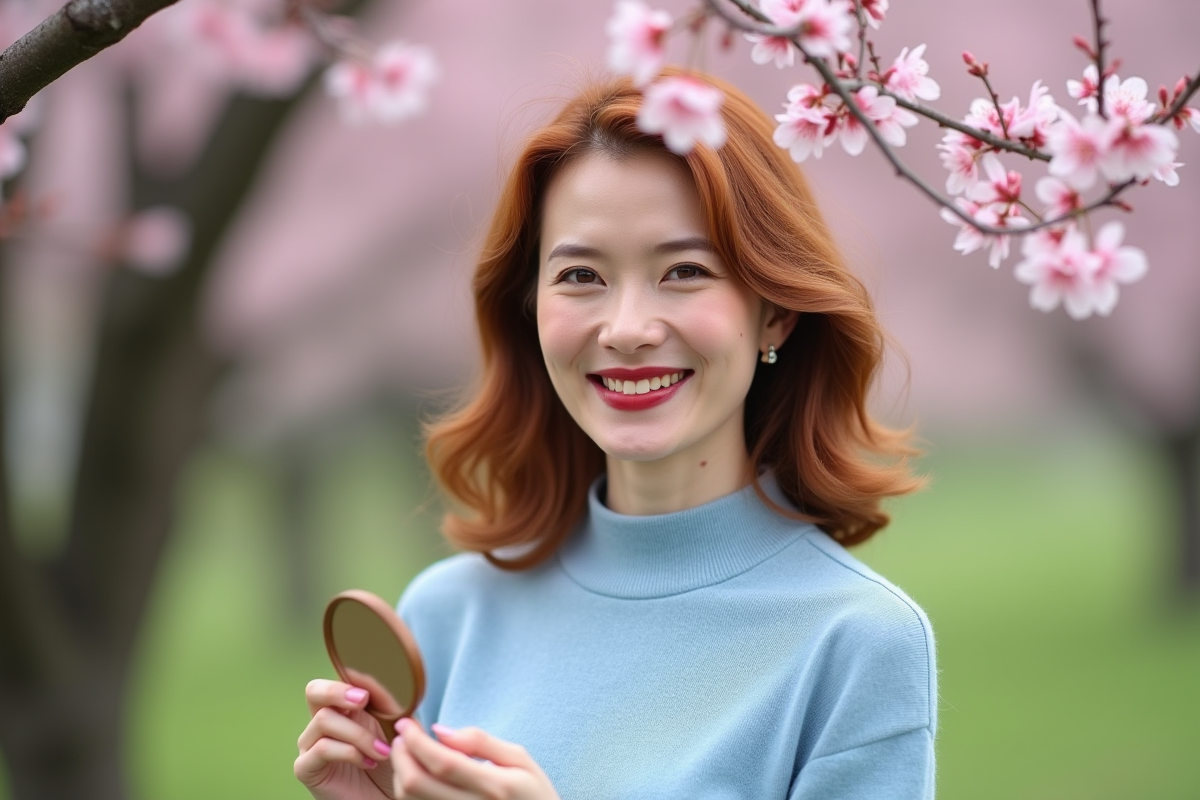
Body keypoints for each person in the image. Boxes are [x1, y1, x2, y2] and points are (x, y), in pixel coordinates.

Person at [295, 67, 936, 800]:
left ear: (775, 312)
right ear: (529, 308)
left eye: (685, 270)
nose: (627, 330)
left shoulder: (856, 643)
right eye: (581, 277)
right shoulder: (446, 616)